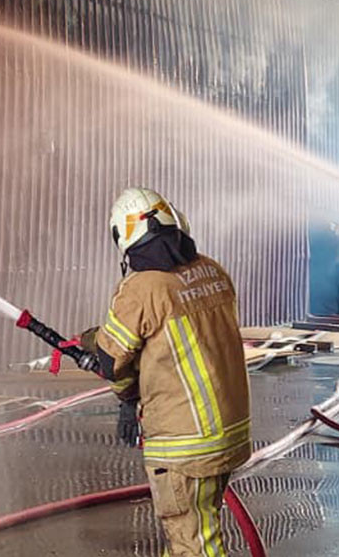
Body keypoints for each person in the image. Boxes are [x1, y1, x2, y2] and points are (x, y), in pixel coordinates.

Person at [77, 187, 252, 557]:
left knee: (195, 544)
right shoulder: (211, 270)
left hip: (185, 443)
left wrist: (98, 350)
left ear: (123, 235)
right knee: (196, 528)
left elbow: (113, 362)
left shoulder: (141, 288)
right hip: (228, 430)